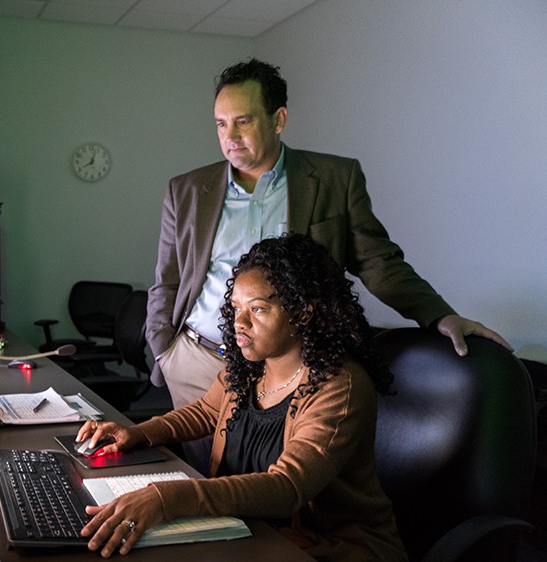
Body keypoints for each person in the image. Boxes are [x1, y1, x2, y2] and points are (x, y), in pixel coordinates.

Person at [146, 58, 511, 427]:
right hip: (201, 360)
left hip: (294, 365)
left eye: (244, 121)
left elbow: (377, 262)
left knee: (279, 479)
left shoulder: (336, 179)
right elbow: (168, 279)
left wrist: (438, 313)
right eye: (221, 124)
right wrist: (165, 352)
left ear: (279, 119)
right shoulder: (187, 191)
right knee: (199, 475)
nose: (230, 137)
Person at [78, 234, 408, 562]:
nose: (239, 323)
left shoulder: (339, 386)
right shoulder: (250, 366)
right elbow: (204, 412)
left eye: (257, 310)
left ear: (303, 312)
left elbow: (287, 488)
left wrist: (170, 497)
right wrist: (137, 432)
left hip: (335, 555)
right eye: (234, 308)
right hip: (250, 533)